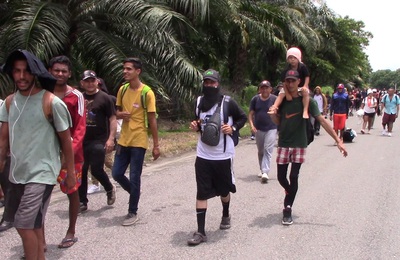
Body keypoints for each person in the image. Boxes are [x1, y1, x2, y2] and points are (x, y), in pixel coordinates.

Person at [0, 49, 75, 260]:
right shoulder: (8, 102)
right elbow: (3, 140)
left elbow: (66, 141)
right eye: (17, 71)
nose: (21, 76)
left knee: (24, 223)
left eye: (26, 71)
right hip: (17, 172)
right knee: (23, 222)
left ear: (35, 73)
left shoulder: (51, 102)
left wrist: (69, 173)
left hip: (42, 173)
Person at [270, 70, 347, 225]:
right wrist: (273, 114)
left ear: (299, 82)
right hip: (284, 143)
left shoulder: (308, 101)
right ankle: (290, 191)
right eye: (288, 81)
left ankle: (288, 208)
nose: (290, 84)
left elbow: (323, 121)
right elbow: (279, 122)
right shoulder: (283, 99)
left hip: (299, 143)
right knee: (280, 177)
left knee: (293, 176)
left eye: (293, 81)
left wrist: (338, 140)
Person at [187, 69, 247, 246]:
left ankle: (226, 213)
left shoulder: (228, 102)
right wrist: (195, 125)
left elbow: (242, 118)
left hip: (222, 156)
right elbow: (198, 122)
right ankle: (201, 232)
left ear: (218, 84)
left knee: (224, 190)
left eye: (212, 82)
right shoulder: (198, 102)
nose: (209, 85)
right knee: (201, 192)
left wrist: (233, 128)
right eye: (206, 82)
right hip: (203, 155)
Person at [112, 57, 160, 226]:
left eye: (129, 69)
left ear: (137, 71)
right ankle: (135, 192)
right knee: (116, 173)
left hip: (139, 140)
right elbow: (116, 112)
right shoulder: (122, 90)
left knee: (134, 176)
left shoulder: (147, 92)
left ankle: (132, 212)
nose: (125, 71)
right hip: (123, 139)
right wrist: (119, 115)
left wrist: (156, 145)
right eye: (124, 68)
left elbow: (152, 119)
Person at [47, 55, 86, 249]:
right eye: (56, 70)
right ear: (49, 71)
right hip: (44, 154)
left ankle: (71, 231)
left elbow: (80, 127)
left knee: (72, 191)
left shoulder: (76, 96)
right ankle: (38, 239)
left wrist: (68, 153)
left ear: (69, 74)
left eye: (64, 71)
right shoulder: (43, 94)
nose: (60, 74)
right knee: (41, 196)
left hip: (72, 155)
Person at [79, 70, 117, 213]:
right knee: (81, 170)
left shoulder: (104, 98)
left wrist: (111, 139)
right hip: (82, 140)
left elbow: (112, 119)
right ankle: (82, 201)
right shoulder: (79, 98)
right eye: (86, 81)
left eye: (92, 80)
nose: (89, 83)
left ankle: (109, 188)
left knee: (96, 169)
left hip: (99, 140)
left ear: (97, 82)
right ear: (82, 83)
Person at [248, 80, 277, 182]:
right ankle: (262, 168)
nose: (264, 90)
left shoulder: (274, 99)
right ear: (260, 89)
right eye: (262, 88)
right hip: (259, 128)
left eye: (266, 88)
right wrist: (252, 126)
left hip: (272, 128)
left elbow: (280, 112)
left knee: (267, 149)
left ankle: (265, 171)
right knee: (260, 151)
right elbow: (251, 114)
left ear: (270, 89)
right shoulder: (255, 99)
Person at [269, 47, 310, 119]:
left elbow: (307, 77)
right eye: (290, 58)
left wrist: (305, 86)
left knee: (305, 93)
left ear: (298, 58)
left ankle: (305, 110)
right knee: (281, 94)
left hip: (301, 87)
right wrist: (287, 93)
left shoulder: (302, 66)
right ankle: (274, 107)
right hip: (289, 88)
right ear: (287, 59)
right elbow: (284, 82)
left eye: (294, 57)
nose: (292, 59)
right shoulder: (286, 69)